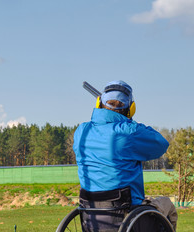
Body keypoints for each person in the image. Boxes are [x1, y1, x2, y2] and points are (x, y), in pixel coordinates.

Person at [73, 80, 177, 230]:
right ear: (131, 108)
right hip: (129, 217)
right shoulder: (128, 132)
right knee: (167, 205)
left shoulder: (81, 131)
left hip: (90, 218)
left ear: (98, 103)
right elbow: (161, 144)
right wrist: (131, 123)